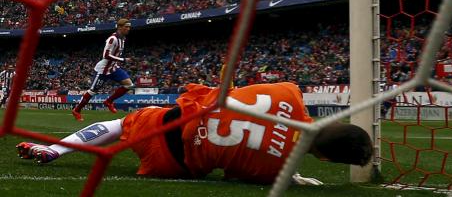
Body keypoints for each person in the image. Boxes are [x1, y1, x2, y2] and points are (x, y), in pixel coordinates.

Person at [17, 82, 373, 184]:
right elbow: (233, 174)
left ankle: (56, 150)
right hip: (170, 164)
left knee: (118, 124)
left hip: (167, 122)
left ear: (334, 121)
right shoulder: (272, 172)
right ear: (325, 157)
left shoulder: (289, 93)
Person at [71, 18, 134, 121]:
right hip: (103, 70)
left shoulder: (123, 38)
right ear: (119, 27)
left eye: (129, 27)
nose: (128, 29)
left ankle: (108, 101)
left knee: (129, 85)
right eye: (126, 27)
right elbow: (106, 55)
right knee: (92, 91)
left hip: (113, 68)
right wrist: (123, 60)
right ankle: (76, 110)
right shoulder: (112, 39)